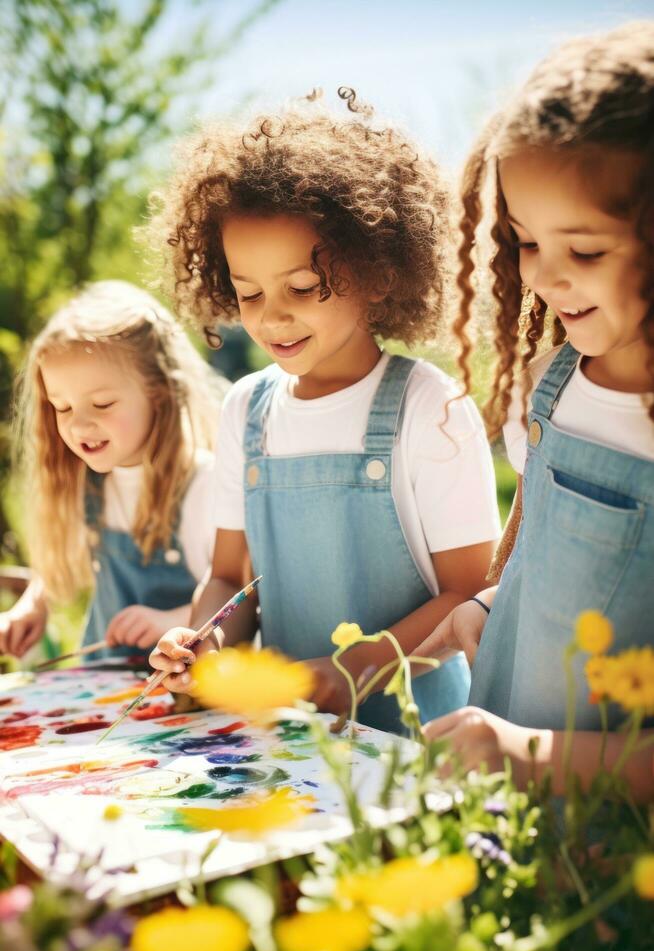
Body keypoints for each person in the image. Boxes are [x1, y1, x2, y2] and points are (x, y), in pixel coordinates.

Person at [147, 89, 501, 732]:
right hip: (289, 741)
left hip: (422, 742)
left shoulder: (430, 407)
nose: (272, 317)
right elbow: (229, 577)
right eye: (248, 292)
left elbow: (470, 595)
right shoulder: (244, 409)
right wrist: (205, 639)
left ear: (376, 271)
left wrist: (350, 674)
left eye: (303, 288)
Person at [416, 23, 654, 800]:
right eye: (524, 242)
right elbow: (539, 537)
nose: (548, 278)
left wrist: (533, 755)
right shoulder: (548, 381)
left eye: (584, 251)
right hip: (513, 825)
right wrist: (493, 599)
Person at [0, 280, 225, 663]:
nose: (79, 425)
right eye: (63, 407)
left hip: (187, 701)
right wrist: (34, 604)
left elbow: (238, 603)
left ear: (159, 393)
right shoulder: (87, 480)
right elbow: (62, 560)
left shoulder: (202, 485)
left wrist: (171, 621)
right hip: (104, 692)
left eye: (102, 404)